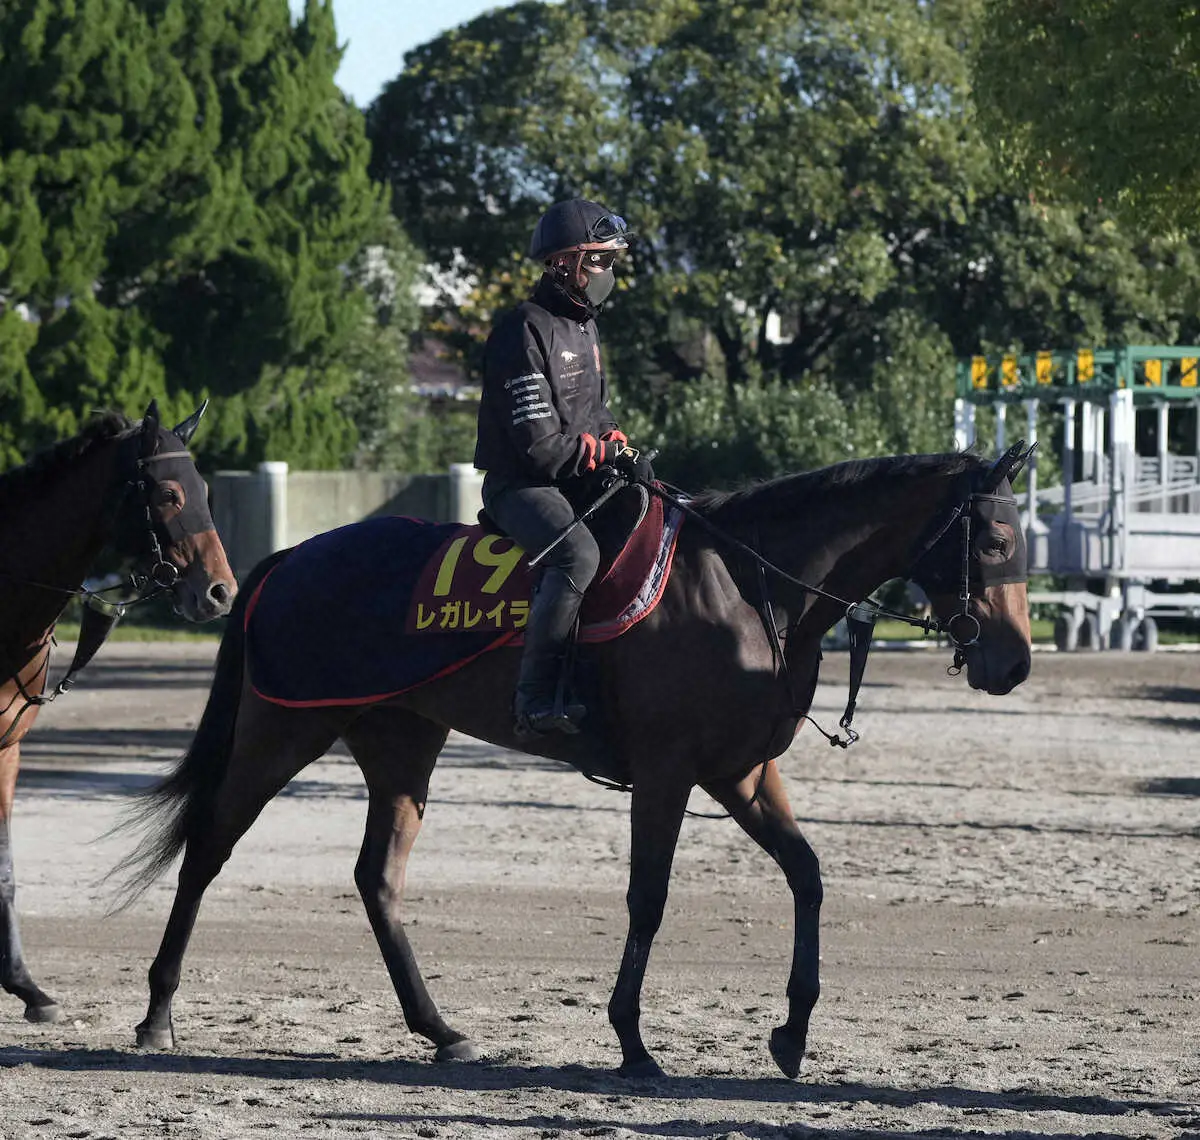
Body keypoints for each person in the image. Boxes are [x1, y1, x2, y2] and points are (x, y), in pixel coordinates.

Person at [474, 198, 651, 737]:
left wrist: (617, 440)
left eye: (609, 262)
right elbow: (540, 448)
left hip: (572, 478)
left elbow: (595, 412)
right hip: (521, 487)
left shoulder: (584, 328)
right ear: (564, 263)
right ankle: (534, 701)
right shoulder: (522, 329)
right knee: (576, 554)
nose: (608, 273)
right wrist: (602, 453)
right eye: (599, 261)